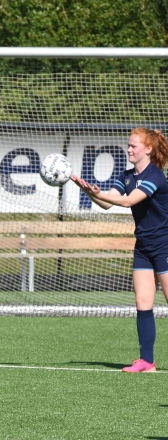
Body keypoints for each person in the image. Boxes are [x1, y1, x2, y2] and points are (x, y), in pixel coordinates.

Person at [72, 127, 168, 373]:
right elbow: (106, 203)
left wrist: (100, 193)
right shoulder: (126, 176)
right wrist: (89, 192)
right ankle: (147, 362)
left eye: (133, 146)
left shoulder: (155, 176)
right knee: (142, 302)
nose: (129, 149)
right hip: (143, 247)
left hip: (164, 245)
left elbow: (129, 201)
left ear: (148, 149)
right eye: (128, 145)